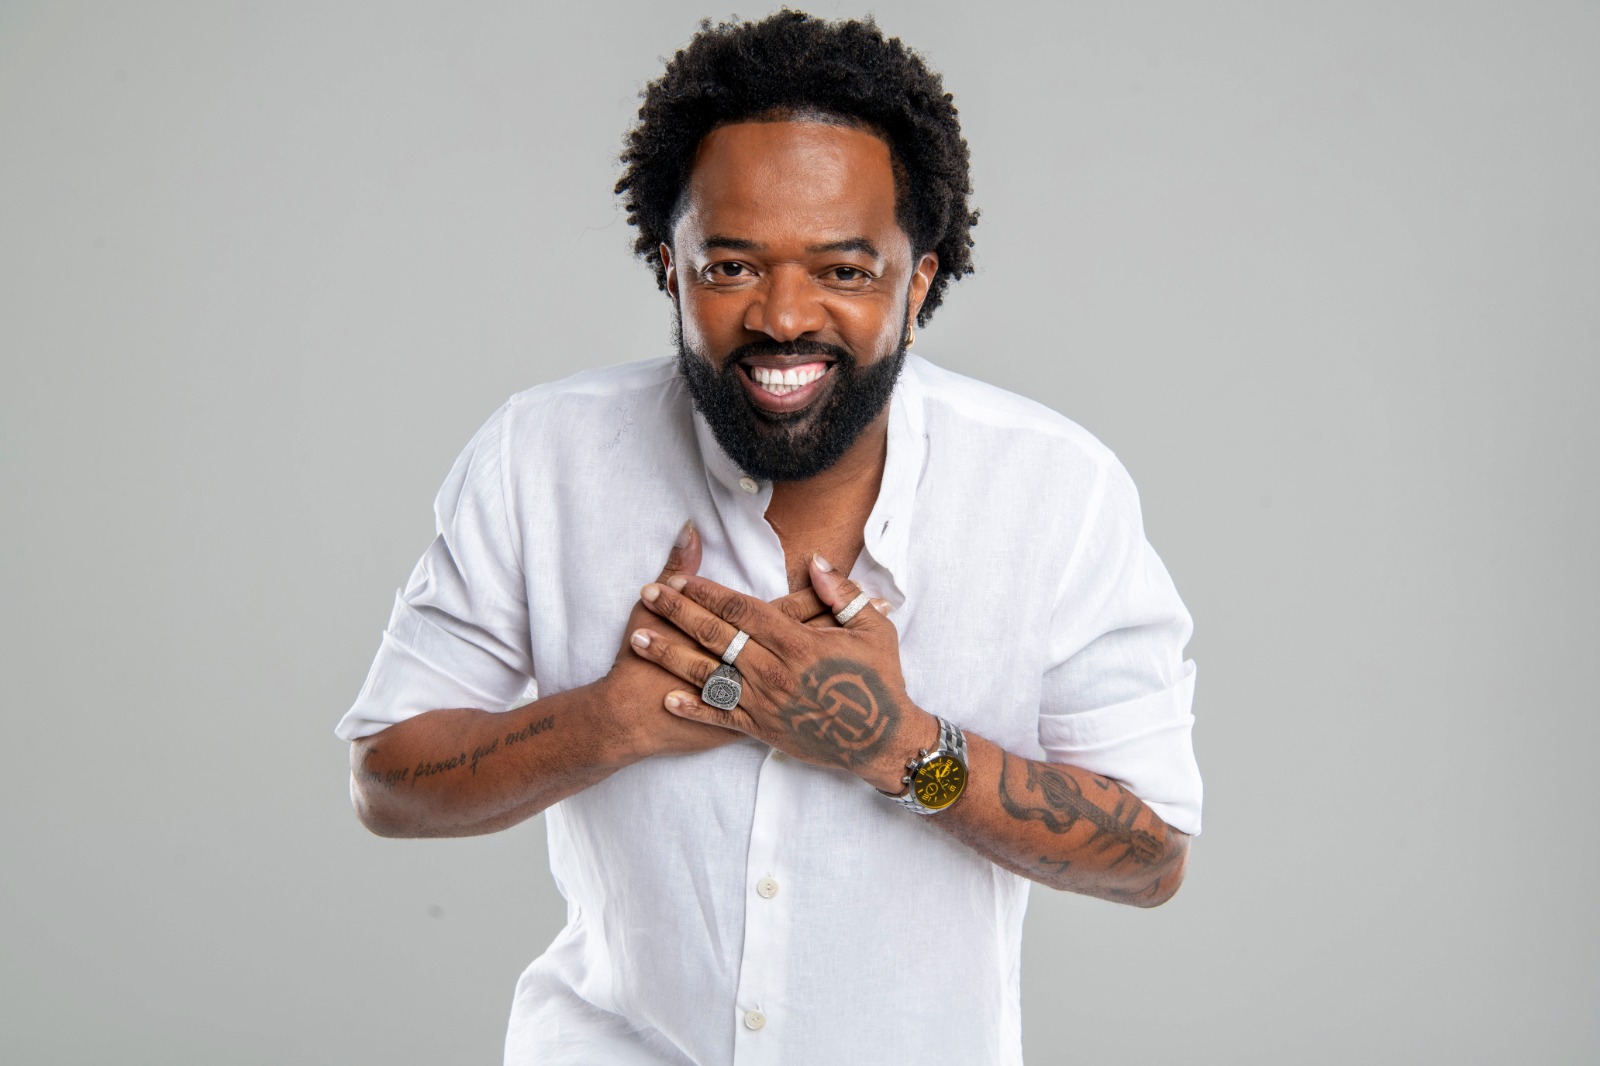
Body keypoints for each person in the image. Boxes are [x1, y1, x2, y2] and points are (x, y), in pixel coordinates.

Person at [338, 11, 1201, 1063]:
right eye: (732, 266)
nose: (783, 316)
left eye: (843, 270)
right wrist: (612, 721)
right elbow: (386, 780)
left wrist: (898, 747)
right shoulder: (541, 457)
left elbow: (1151, 858)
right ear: (670, 268)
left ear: (919, 283)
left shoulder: (1055, 491)